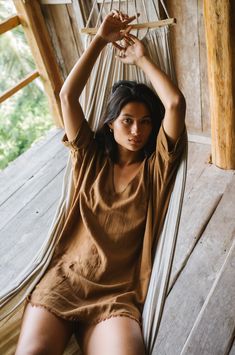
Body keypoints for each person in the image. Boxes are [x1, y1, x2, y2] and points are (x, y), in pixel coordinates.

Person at [15, 10, 186, 355]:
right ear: (110, 123)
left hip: (116, 294)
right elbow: (67, 96)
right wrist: (100, 40)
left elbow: (175, 103)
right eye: (127, 121)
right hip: (65, 280)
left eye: (145, 122)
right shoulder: (89, 158)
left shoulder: (157, 170)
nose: (137, 131)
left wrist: (143, 59)